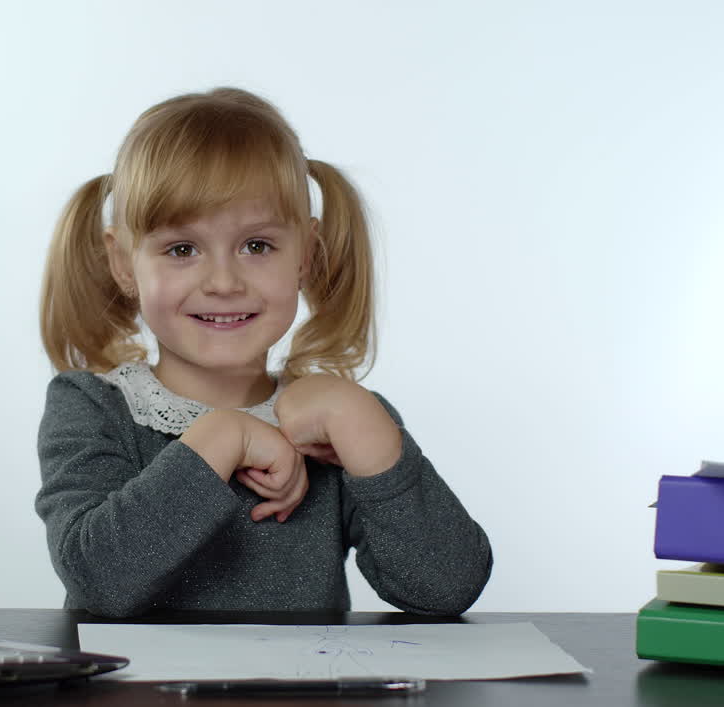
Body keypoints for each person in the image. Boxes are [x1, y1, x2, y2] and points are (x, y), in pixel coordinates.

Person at [35, 87, 491, 618]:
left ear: (305, 257)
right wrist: (223, 436)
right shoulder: (93, 407)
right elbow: (99, 580)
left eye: (257, 246)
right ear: (123, 264)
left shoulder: (337, 422)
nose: (224, 282)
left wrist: (368, 430)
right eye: (182, 249)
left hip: (299, 701)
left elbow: (445, 591)